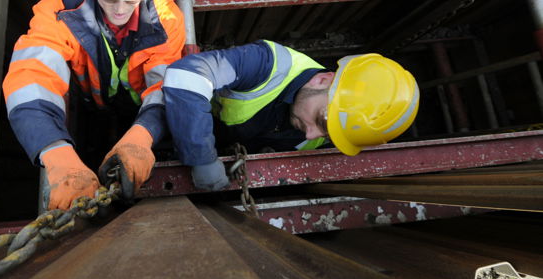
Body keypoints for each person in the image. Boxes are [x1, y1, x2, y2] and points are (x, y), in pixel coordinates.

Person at [3, 0, 185, 209]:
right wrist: (55, 151)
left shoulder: (166, 20)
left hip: (139, 108)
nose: (120, 9)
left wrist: (144, 134)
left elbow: (165, 86)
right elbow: (31, 79)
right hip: (93, 105)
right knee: (94, 130)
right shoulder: (58, 13)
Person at [162, 40, 419, 191]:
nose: (311, 135)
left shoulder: (327, 131)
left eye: (328, 135)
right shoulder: (269, 63)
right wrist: (201, 157)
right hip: (184, 117)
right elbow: (187, 75)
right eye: (322, 121)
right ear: (321, 80)